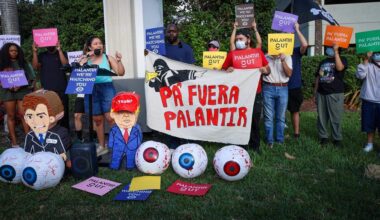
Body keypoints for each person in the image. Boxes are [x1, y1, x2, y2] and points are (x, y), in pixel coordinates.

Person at [222, 28, 270, 152]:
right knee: (239, 121)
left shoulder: (257, 53)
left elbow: (268, 69)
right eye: (237, 39)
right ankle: (241, 146)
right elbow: (222, 71)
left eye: (241, 39)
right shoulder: (232, 54)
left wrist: (265, 71)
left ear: (248, 39)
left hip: (255, 93)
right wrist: (227, 71)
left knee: (254, 120)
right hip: (238, 95)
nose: (238, 41)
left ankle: (255, 146)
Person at [79, 36, 125, 156]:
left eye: (100, 43)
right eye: (95, 43)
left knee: (111, 118)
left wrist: (119, 60)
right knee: (97, 120)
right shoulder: (85, 58)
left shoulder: (107, 57)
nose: (99, 45)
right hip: (91, 89)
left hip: (106, 88)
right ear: (89, 47)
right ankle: (102, 146)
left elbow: (120, 73)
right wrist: (82, 62)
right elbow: (79, 76)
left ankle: (119, 145)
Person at [163, 24, 196, 149]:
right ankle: (173, 144)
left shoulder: (186, 49)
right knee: (172, 116)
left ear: (178, 32)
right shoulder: (162, 49)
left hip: (184, 88)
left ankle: (187, 142)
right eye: (169, 31)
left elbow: (191, 69)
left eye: (174, 31)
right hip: (167, 89)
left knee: (185, 115)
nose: (171, 33)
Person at [0, 43, 35, 147]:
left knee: (24, 115)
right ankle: (14, 142)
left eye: (16, 51)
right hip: (7, 92)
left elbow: (31, 78)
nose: (14, 53)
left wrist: (21, 84)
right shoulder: (2, 63)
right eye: (11, 51)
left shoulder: (23, 63)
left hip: (22, 91)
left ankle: (29, 140)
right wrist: (5, 84)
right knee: (11, 116)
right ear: (7, 52)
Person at [314, 43, 347, 147]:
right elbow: (318, 77)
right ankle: (323, 137)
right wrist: (315, 92)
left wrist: (336, 52)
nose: (329, 49)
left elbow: (340, 68)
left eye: (331, 47)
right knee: (322, 117)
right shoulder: (323, 61)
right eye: (329, 47)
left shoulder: (342, 59)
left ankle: (337, 138)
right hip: (321, 93)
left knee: (335, 117)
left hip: (335, 93)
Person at [32, 41, 70, 130]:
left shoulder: (63, 53)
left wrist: (59, 50)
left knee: (63, 110)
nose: (50, 44)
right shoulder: (41, 55)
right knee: (49, 111)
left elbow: (66, 65)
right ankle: (51, 131)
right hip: (47, 89)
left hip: (62, 87)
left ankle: (65, 132)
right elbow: (35, 67)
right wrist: (34, 52)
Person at [23, 90, 68, 161]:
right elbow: (27, 153)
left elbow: (63, 154)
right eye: (30, 116)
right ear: (25, 118)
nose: (35, 121)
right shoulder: (29, 136)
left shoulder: (58, 135)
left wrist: (64, 157)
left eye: (41, 116)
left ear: (52, 117)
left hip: (54, 166)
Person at [263, 53, 292, 148]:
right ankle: (269, 140)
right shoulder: (265, 56)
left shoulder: (287, 56)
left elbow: (289, 74)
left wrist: (283, 61)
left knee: (281, 117)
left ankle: (280, 140)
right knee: (268, 116)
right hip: (268, 87)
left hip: (282, 88)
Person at [108, 92, 142, 170]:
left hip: (132, 147)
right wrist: (110, 145)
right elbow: (112, 138)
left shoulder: (136, 128)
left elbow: (139, 136)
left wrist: (138, 145)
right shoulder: (114, 129)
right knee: (115, 157)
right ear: (113, 114)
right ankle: (114, 167)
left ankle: (130, 167)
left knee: (131, 157)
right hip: (117, 147)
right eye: (121, 112)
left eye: (130, 113)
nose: (126, 116)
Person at [287, 22, 308, 139]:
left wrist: (297, 30)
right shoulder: (278, 51)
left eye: (291, 37)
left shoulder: (296, 51)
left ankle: (296, 133)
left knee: (294, 111)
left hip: (294, 86)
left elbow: (305, 45)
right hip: (281, 86)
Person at [356, 51, 380, 152]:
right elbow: (360, 75)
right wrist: (366, 59)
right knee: (369, 124)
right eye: (375, 53)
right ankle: (370, 144)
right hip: (368, 99)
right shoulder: (367, 65)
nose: (377, 55)